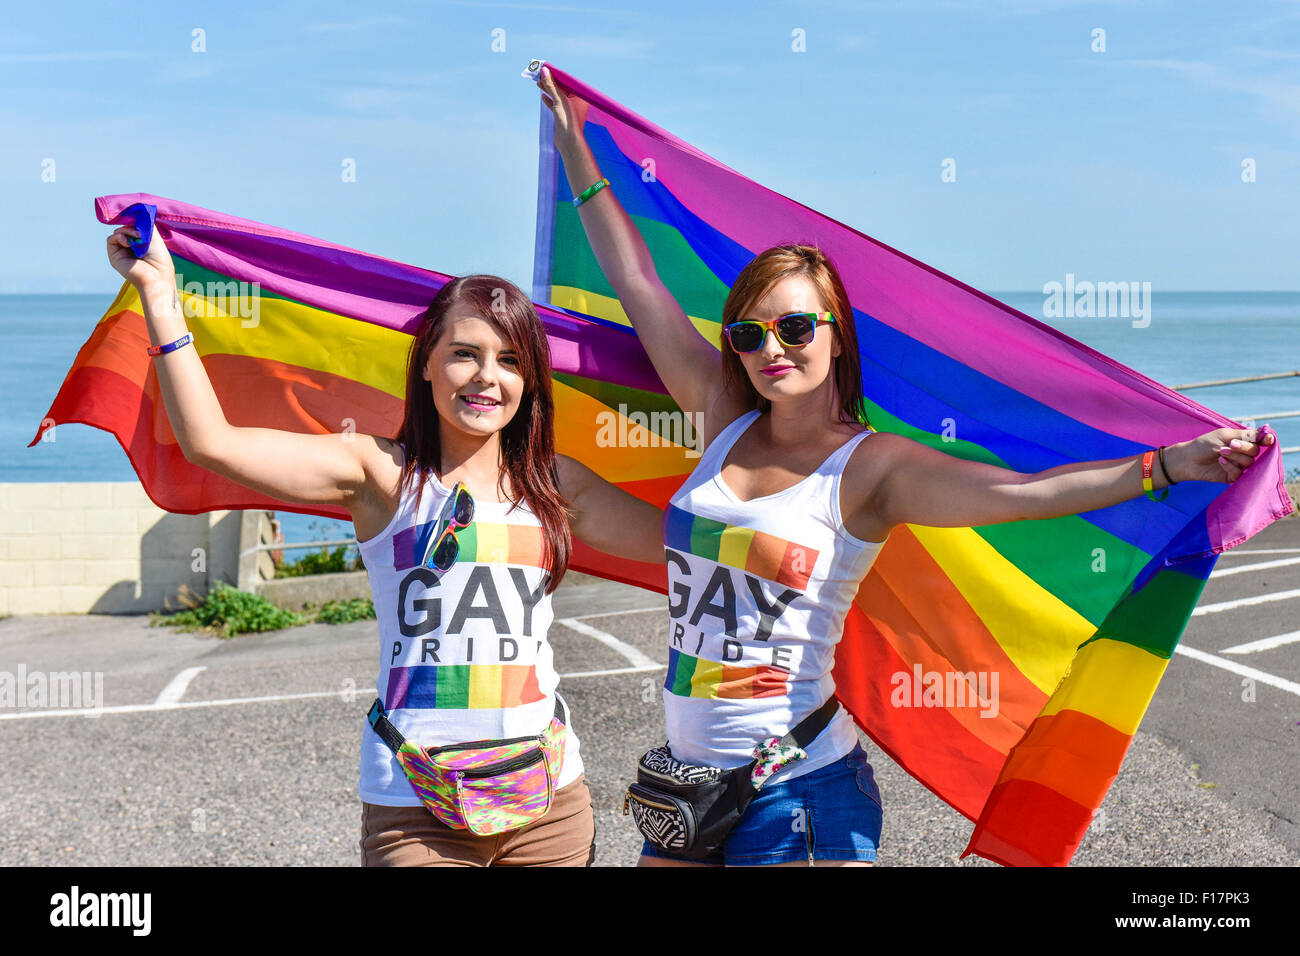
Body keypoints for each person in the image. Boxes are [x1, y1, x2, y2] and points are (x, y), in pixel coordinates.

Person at [537, 66, 1276, 868]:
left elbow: (1023, 496)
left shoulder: (871, 469)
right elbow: (638, 284)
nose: (769, 350)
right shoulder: (723, 417)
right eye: (748, 335)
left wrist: (1166, 466)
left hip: (798, 795)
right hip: (689, 785)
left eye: (792, 328)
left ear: (836, 333)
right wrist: (579, 153)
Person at [107, 223, 666, 866]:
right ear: (427, 361)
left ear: (531, 380)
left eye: (510, 360)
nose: (488, 377)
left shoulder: (554, 484)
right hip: (414, 803)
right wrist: (159, 296)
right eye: (466, 353)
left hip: (548, 803)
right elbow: (213, 443)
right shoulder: (380, 474)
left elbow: (691, 539)